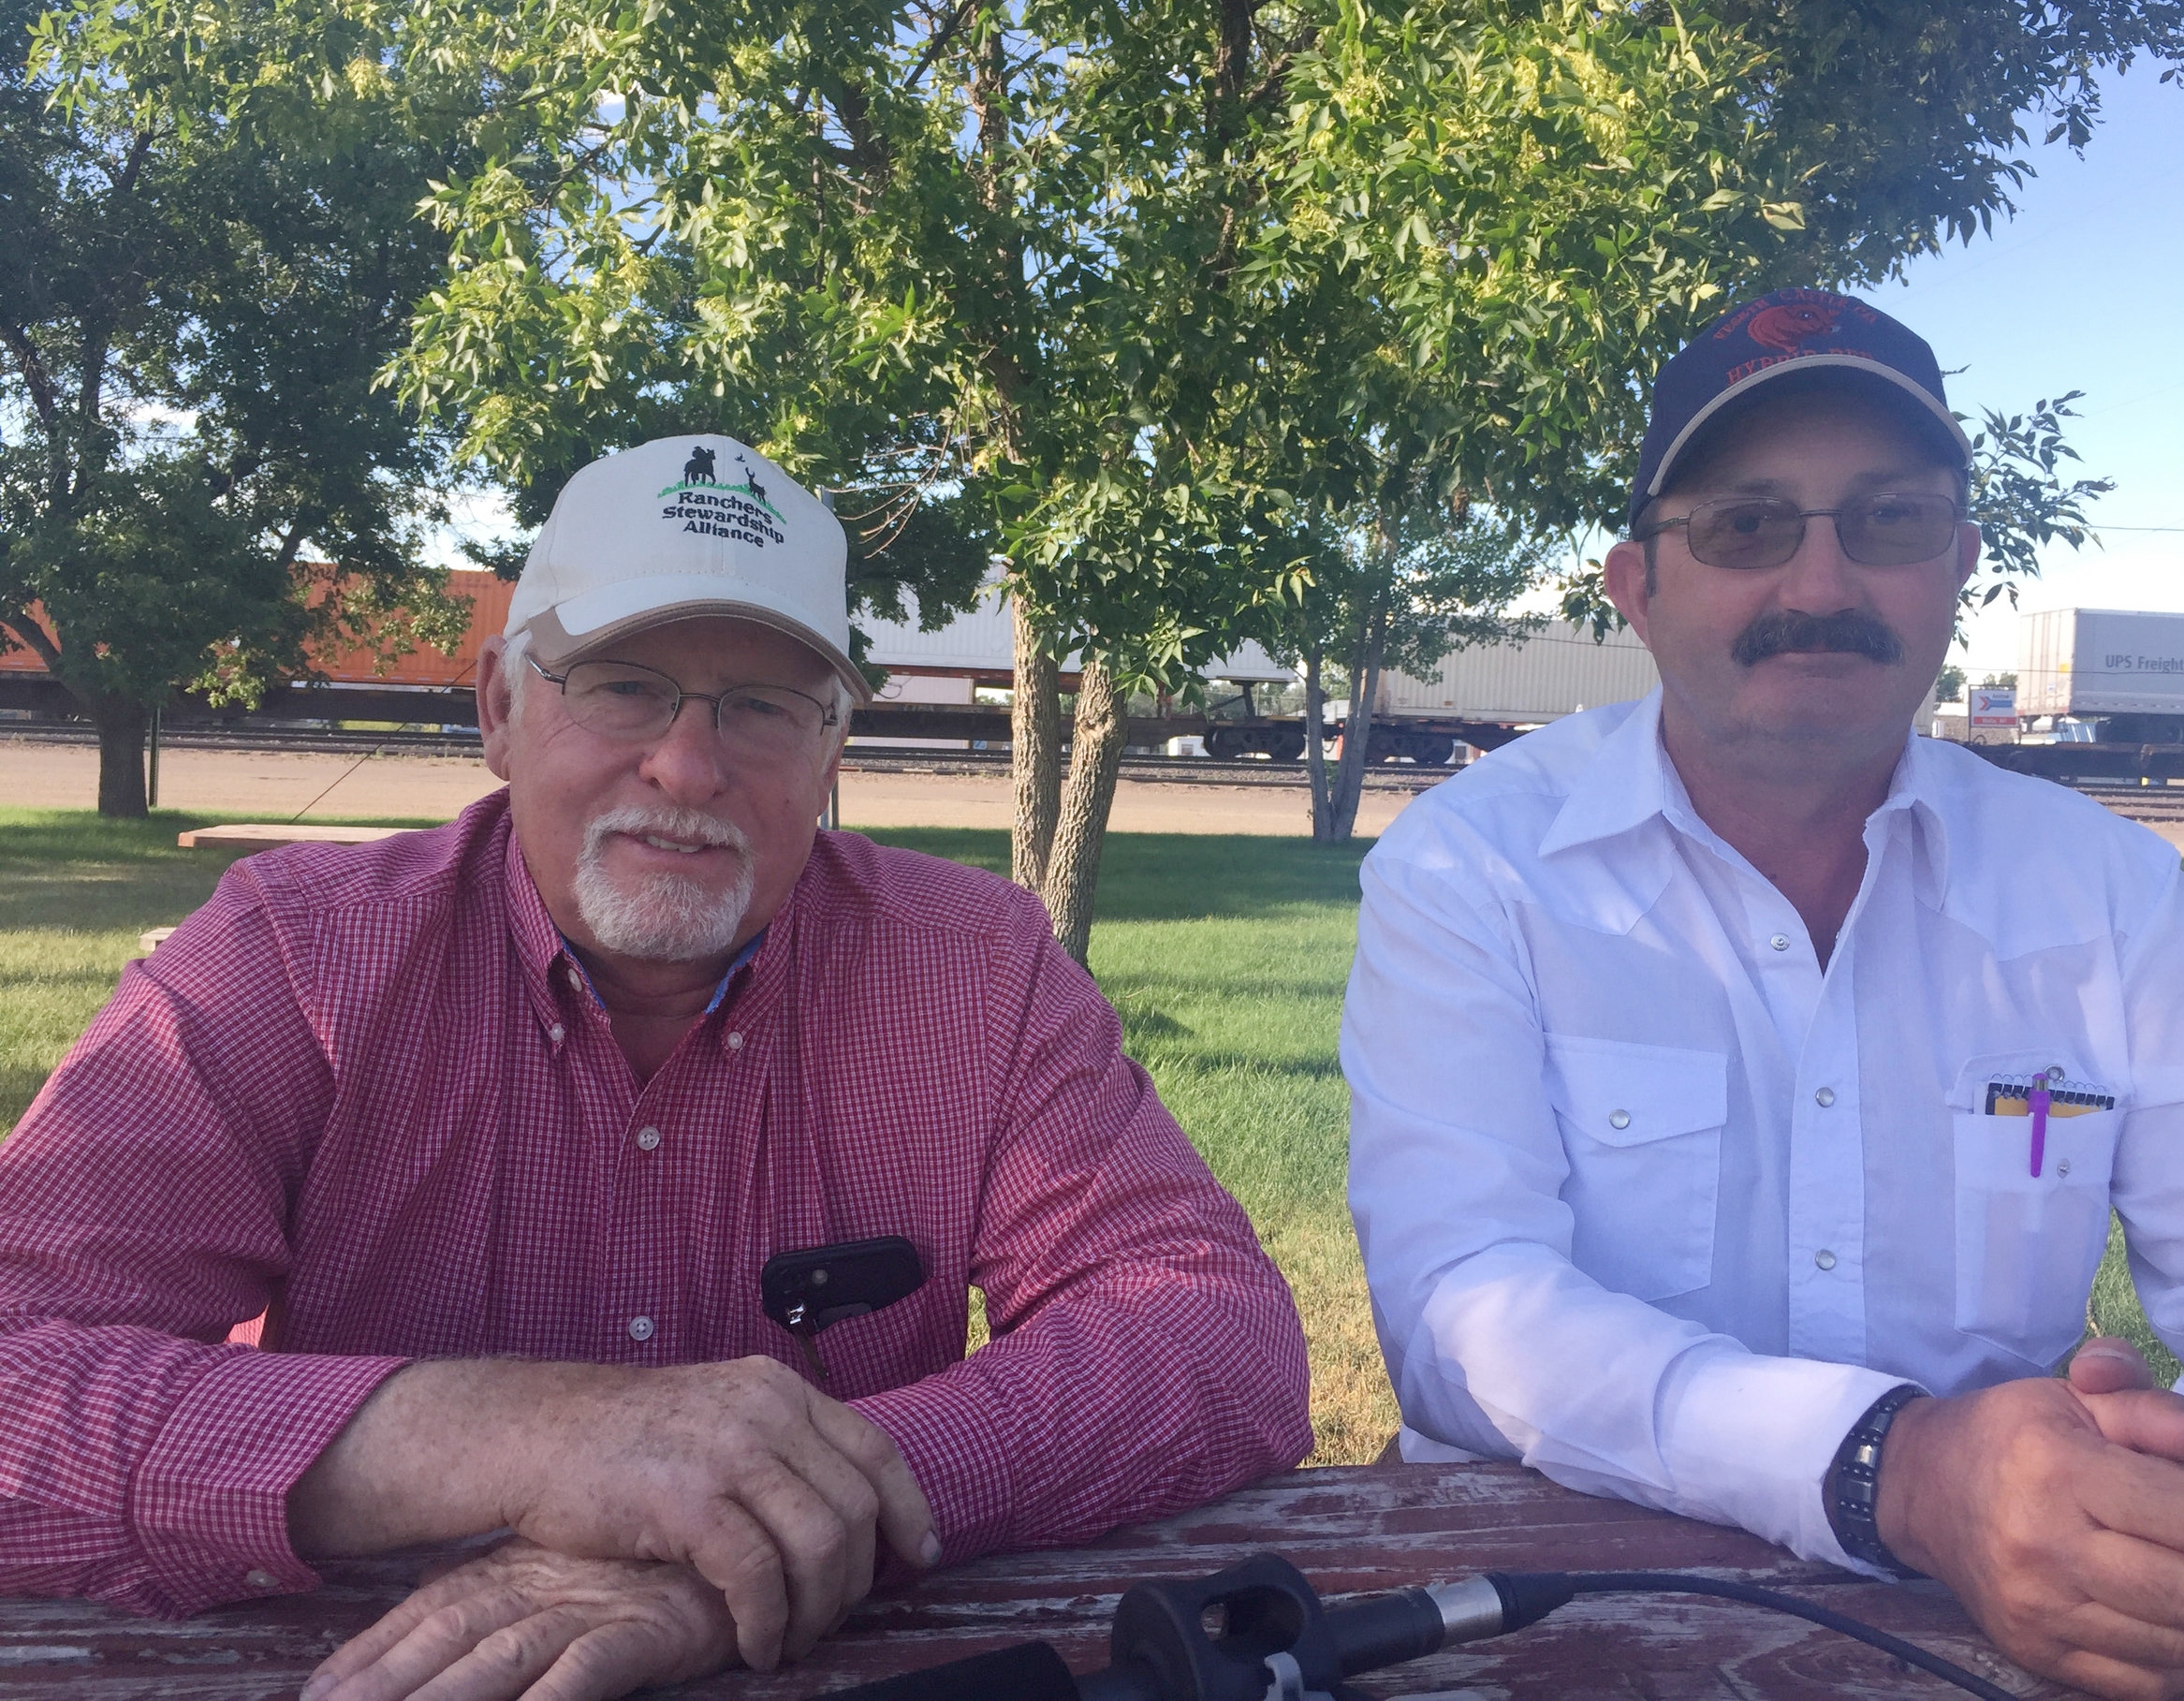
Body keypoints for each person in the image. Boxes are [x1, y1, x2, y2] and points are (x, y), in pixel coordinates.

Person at [0, 434, 1312, 1701]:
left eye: (761, 707)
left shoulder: (977, 970)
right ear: (500, 710)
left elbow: (1210, 1329)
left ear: (831, 753)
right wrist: (524, 1438)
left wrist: (775, 1520)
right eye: (625, 683)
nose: (688, 766)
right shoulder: (290, 962)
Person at [1344, 290, 2184, 1701]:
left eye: (1887, 522)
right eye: (1747, 526)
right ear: (1637, 587)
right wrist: (1893, 1466)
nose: (1819, 584)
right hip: (1553, 1607)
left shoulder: (2102, 893)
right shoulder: (1476, 871)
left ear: (1961, 565)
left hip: (1988, 1634)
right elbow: (1461, 1310)